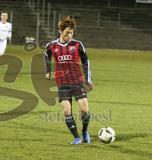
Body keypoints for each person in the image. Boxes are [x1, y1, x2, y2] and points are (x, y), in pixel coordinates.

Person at [44, 16, 93, 145]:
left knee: (84, 109)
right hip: (62, 83)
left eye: (71, 33)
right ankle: (77, 137)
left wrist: (88, 79)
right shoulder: (52, 45)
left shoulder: (77, 44)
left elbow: (86, 60)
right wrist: (48, 71)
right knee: (67, 111)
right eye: (67, 33)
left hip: (77, 81)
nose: (69, 35)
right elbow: (46, 56)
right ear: (60, 31)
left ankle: (85, 132)